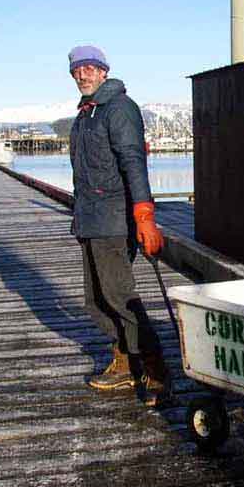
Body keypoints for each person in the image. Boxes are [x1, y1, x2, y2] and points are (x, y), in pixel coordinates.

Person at [68, 45, 170, 406]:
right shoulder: (86, 114)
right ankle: (125, 362)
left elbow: (133, 162)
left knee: (120, 297)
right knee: (96, 300)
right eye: (77, 70)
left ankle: (156, 371)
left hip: (114, 220)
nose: (83, 75)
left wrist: (144, 215)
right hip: (89, 220)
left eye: (90, 68)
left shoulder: (119, 109)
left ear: (104, 72)